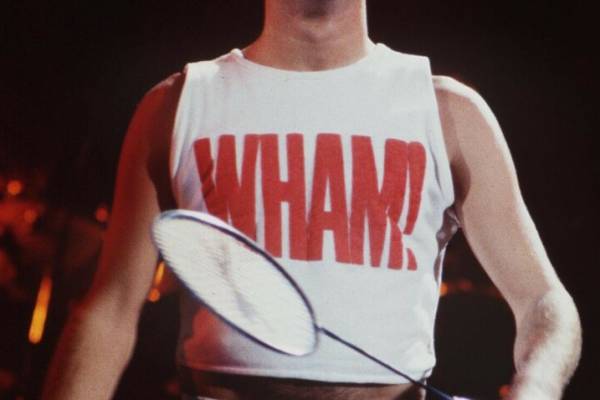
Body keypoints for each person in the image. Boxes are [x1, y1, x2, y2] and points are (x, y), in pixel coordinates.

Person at [42, 1, 581, 399]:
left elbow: (544, 300)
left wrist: (538, 383)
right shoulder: (178, 104)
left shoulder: (448, 112)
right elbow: (109, 311)